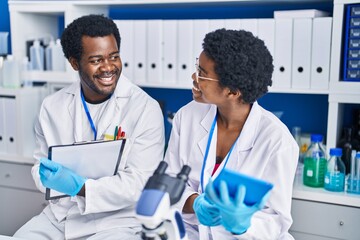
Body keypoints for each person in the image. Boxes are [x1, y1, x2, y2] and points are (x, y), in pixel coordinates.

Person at [14, 14, 165, 240]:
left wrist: (81, 187)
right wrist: (45, 176)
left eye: (113, 57)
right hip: (60, 217)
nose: (108, 68)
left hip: (116, 222)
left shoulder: (145, 109)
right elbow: (41, 163)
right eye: (96, 60)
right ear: (75, 63)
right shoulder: (52, 106)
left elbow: (140, 183)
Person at [164, 29, 299, 240]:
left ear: (232, 92)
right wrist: (195, 203)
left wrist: (242, 226)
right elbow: (170, 180)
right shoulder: (187, 116)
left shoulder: (277, 141)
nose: (194, 77)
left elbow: (275, 220)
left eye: (202, 74)